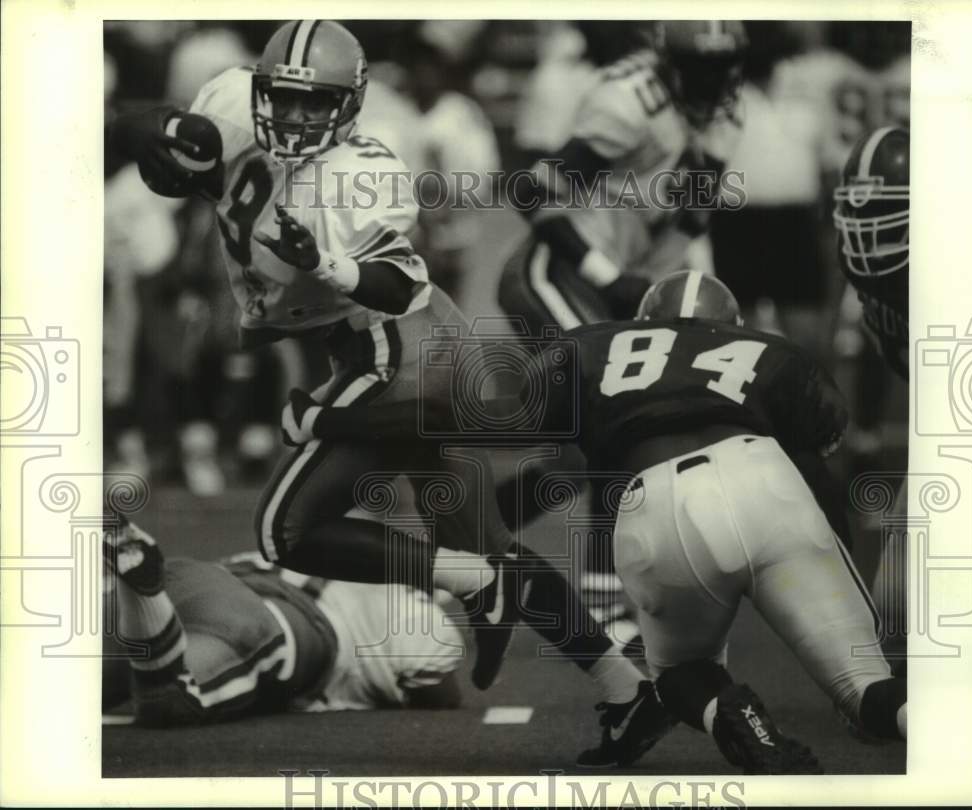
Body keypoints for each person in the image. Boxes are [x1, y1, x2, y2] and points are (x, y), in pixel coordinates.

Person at [108, 19, 655, 763]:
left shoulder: (364, 172)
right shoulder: (231, 101)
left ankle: (485, 557)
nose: (297, 117)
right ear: (260, 90)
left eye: (316, 104)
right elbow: (141, 133)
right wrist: (163, 131)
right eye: (286, 99)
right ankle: (627, 690)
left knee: (286, 532)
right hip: (383, 348)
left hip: (403, 350)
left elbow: (397, 283)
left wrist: (327, 273)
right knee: (492, 556)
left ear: (351, 105)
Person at [286, 269, 909, 772]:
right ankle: (940, 734)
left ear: (643, 323)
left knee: (681, 676)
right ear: (733, 330)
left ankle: (736, 720)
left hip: (658, 503)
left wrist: (325, 420)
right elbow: (821, 483)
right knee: (869, 694)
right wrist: (851, 594)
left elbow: (458, 421)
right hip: (769, 482)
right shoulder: (777, 354)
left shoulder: (593, 345)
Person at [495, 20, 748, 648]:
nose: (712, 83)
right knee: (617, 420)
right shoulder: (629, 102)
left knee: (579, 456)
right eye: (700, 68)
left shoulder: (724, 114)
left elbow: (687, 219)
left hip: (630, 284)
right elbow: (531, 192)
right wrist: (609, 277)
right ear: (669, 62)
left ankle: (465, 541)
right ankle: (603, 598)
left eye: (722, 68)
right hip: (558, 274)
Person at [103, 516, 464, 724]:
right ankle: (143, 601)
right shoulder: (416, 616)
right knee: (170, 698)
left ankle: (136, 592)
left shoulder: (313, 547)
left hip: (194, 577)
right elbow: (440, 694)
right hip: (273, 621)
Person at [833, 125, 910, 672]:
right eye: (860, 211)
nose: (867, 230)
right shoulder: (857, 261)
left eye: (887, 210)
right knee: (897, 604)